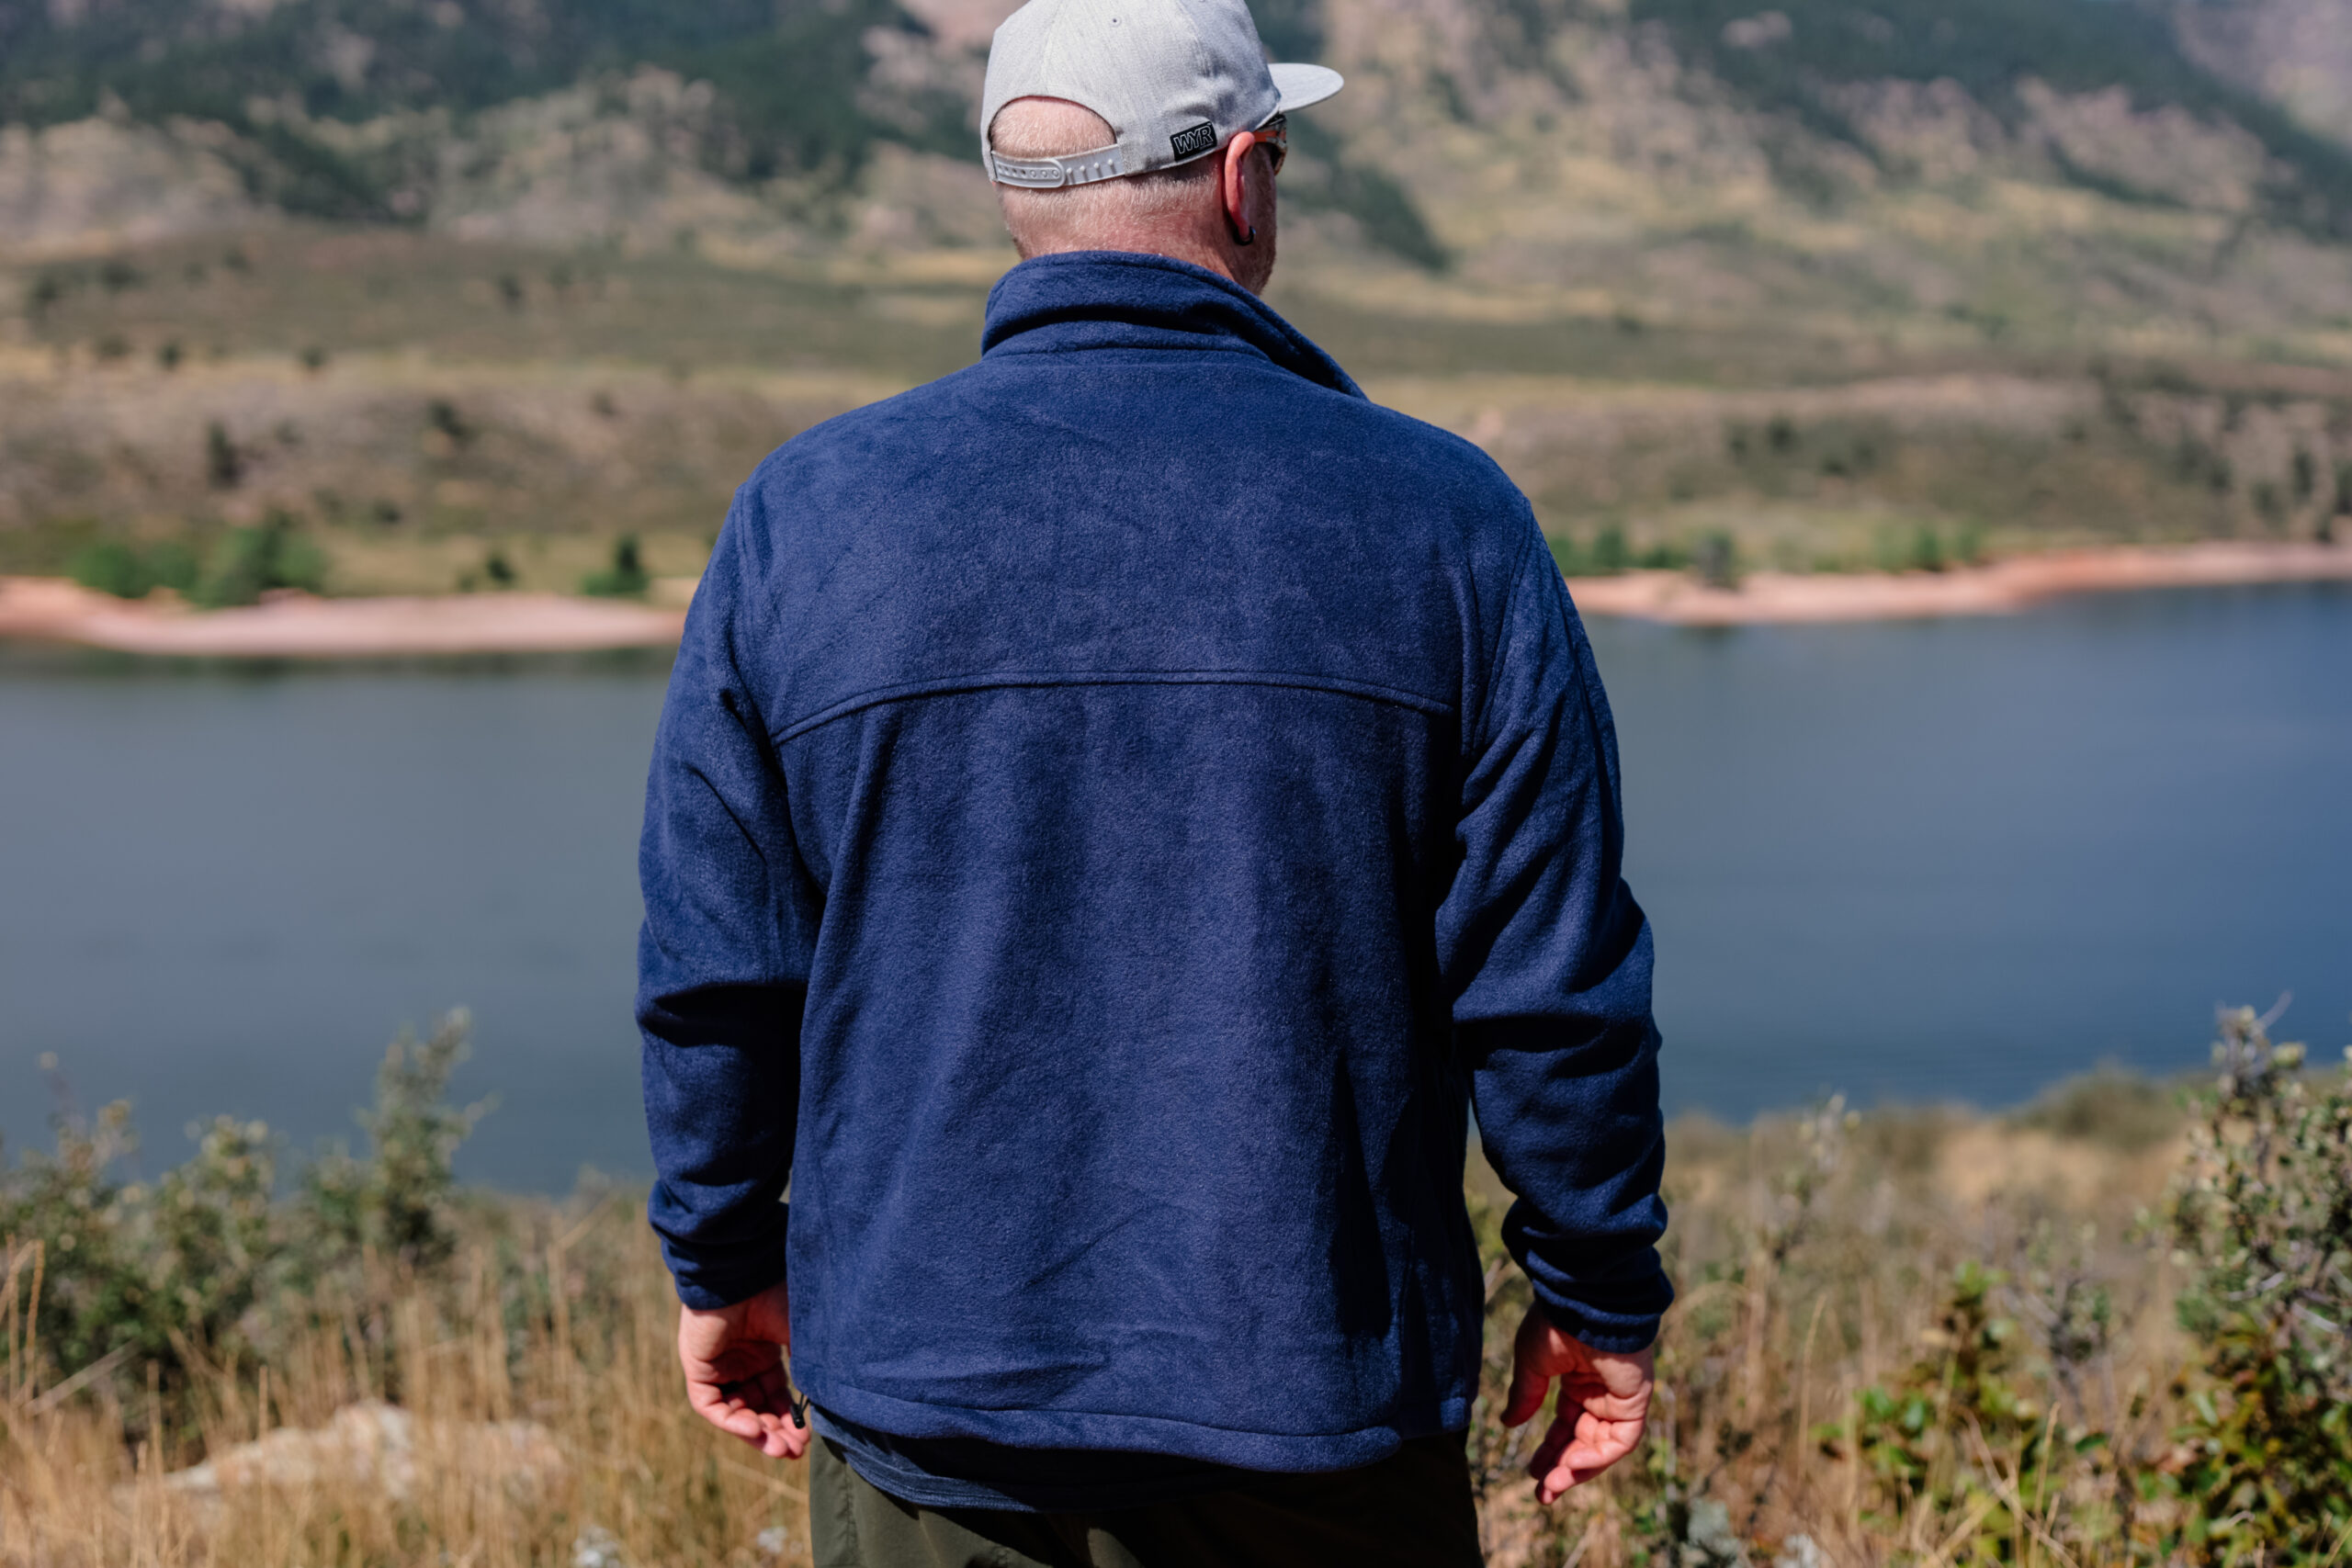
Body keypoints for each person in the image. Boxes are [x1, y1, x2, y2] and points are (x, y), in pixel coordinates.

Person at [635, 0, 1672, 1560]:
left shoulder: (806, 517)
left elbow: (717, 972)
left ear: (1016, 190)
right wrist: (1594, 1290)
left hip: (931, 1422)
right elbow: (1549, 985)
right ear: (1246, 176)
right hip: (1320, 1414)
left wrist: (721, 1264)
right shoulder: (1447, 521)